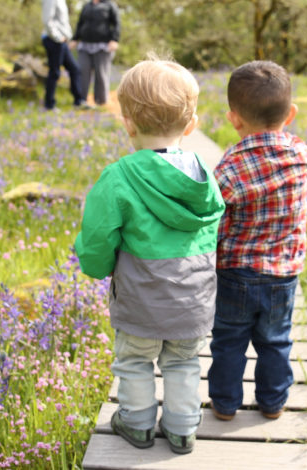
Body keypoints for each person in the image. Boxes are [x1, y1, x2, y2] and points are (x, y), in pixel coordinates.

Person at [75, 55, 225, 454]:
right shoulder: (205, 175)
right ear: (191, 125)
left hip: (141, 300)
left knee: (134, 362)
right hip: (193, 301)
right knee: (183, 362)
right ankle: (181, 429)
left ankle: (138, 424)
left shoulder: (119, 177)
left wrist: (95, 266)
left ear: (127, 122)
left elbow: (97, 239)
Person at [207, 60, 307, 421]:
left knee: (228, 341)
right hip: (283, 275)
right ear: (291, 114)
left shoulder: (228, 168)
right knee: (276, 341)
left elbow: (214, 217)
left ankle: (224, 405)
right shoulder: (304, 158)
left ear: (234, 118)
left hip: (235, 273)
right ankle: (272, 403)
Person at [71, 0, 120, 106]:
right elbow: (80, 23)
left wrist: (115, 40)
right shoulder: (87, 6)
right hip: (85, 45)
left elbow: (116, 24)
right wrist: (75, 39)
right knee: (82, 72)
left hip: (102, 45)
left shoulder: (110, 5)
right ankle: (81, 100)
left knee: (101, 74)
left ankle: (101, 102)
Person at [41, 0, 88, 110]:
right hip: (54, 40)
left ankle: (78, 101)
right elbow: (47, 20)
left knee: (75, 69)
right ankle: (49, 104)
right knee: (55, 72)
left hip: (62, 41)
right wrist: (57, 37)